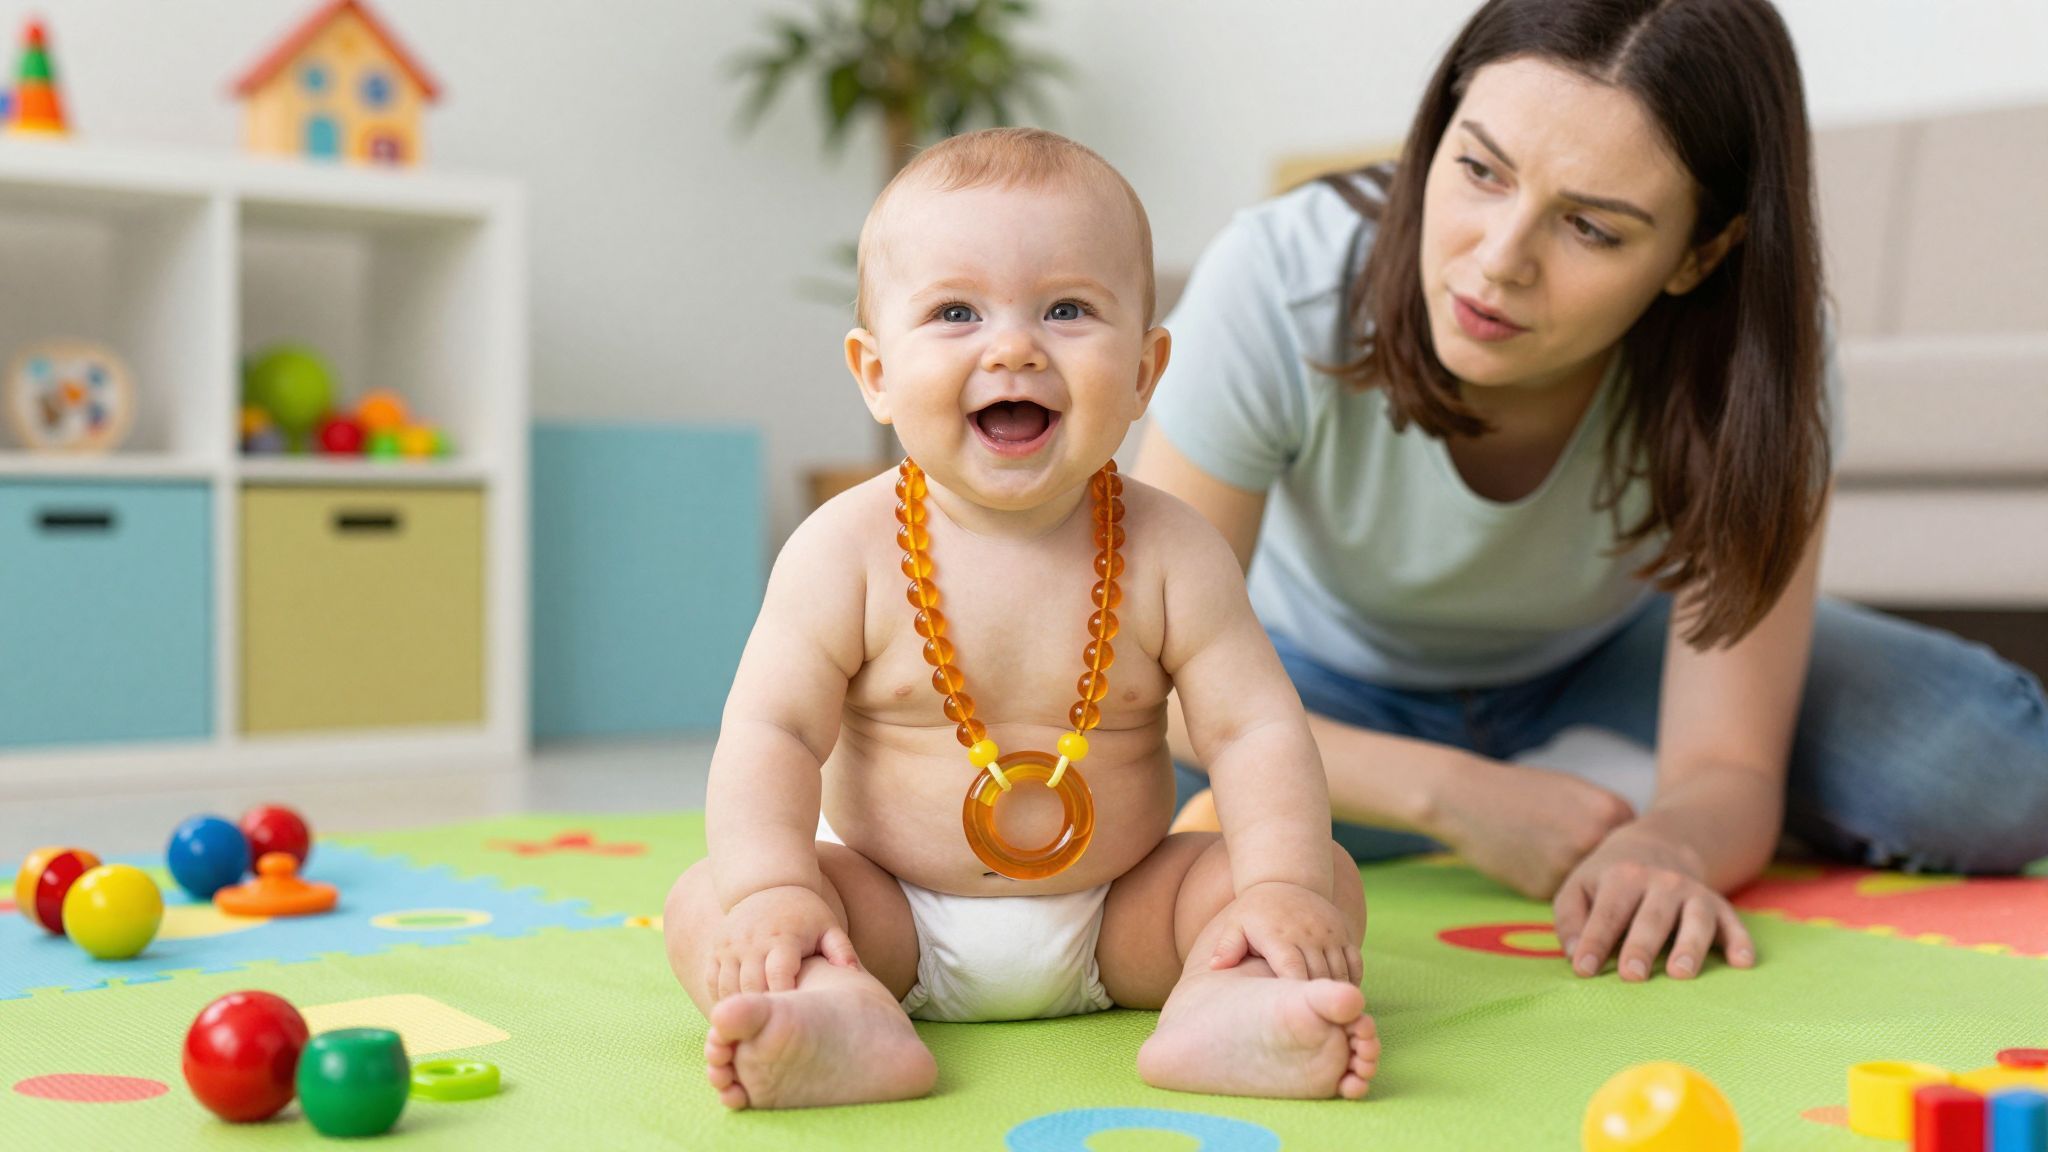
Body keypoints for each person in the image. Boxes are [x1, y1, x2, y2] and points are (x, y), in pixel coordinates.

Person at [1138, 0, 2048, 987]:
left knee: (1989, 774)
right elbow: (1160, 687)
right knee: (1070, 785)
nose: (1497, 260)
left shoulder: (1757, 362)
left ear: (1698, 255)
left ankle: (1585, 792)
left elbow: (1728, 767)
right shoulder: (1280, 280)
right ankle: (1557, 789)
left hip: (1605, 655)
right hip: (1294, 684)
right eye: (1478, 170)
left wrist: (1673, 845)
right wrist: (1452, 796)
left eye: (1589, 228)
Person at [663, 127, 1378, 1111]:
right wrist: (780, 890)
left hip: (1123, 916)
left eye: (1068, 309)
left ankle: (1230, 1005)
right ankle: (830, 1010)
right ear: (874, 372)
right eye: (955, 311)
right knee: (709, 902)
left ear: (1142, 370)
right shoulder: (843, 551)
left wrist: (1279, 889)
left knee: (1321, 880)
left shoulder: (1172, 550)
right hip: (888, 917)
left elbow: (1250, 729)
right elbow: (772, 733)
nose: (1012, 346)